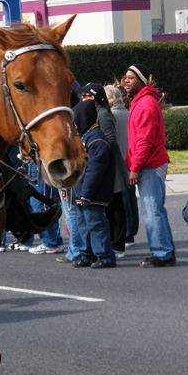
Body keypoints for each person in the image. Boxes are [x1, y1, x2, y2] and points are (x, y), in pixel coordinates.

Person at [124, 64, 176, 268]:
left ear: (142, 81)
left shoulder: (146, 104)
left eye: (131, 77)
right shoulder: (140, 101)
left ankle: (163, 253)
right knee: (155, 211)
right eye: (125, 77)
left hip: (150, 165)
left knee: (152, 211)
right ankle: (164, 251)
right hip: (150, 164)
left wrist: (135, 167)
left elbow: (145, 141)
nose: (126, 80)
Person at [70, 100, 117, 269]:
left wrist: (86, 194)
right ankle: (86, 254)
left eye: (75, 120)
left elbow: (95, 171)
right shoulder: (83, 136)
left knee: (96, 224)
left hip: (93, 193)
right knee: (83, 225)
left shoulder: (97, 140)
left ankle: (105, 256)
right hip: (80, 191)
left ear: (83, 119)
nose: (73, 124)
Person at [106, 84, 139, 249]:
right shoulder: (129, 113)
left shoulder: (111, 116)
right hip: (131, 160)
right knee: (131, 198)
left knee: (122, 201)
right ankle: (132, 232)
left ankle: (125, 235)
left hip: (119, 163)